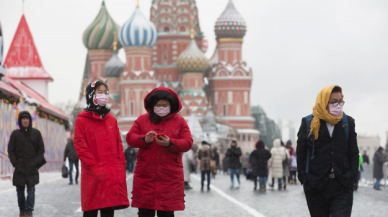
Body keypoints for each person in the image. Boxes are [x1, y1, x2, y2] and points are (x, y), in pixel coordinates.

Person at [126, 87, 193, 217]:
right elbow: (130, 138)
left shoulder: (179, 121)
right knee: (145, 213)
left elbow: (188, 142)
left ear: (171, 106)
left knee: (167, 213)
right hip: (146, 176)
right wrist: (144, 139)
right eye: (158, 105)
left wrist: (170, 143)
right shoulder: (142, 120)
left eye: (164, 105)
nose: (161, 108)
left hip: (169, 177)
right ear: (152, 105)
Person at [297, 85, 359, 217]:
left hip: (342, 184)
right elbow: (301, 152)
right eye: (334, 102)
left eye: (340, 101)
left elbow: (353, 151)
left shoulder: (347, 122)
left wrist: (352, 176)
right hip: (316, 185)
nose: (338, 105)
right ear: (324, 102)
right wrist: (304, 178)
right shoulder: (309, 122)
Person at [74, 81, 129, 217]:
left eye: (106, 92)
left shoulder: (112, 121)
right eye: (100, 92)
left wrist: (120, 165)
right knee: (91, 211)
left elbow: (118, 145)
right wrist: (94, 167)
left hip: (110, 174)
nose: (104, 95)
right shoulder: (82, 121)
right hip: (93, 175)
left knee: (108, 212)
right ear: (91, 95)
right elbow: (80, 146)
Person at [8, 111, 46, 217]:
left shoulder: (36, 133)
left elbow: (41, 150)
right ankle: (22, 210)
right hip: (19, 168)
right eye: (23, 119)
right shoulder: (15, 134)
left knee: (31, 191)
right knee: (20, 192)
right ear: (20, 121)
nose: (25, 120)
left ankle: (29, 212)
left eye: (27, 118)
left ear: (30, 120)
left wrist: (36, 162)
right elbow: (10, 151)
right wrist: (15, 163)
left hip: (32, 168)